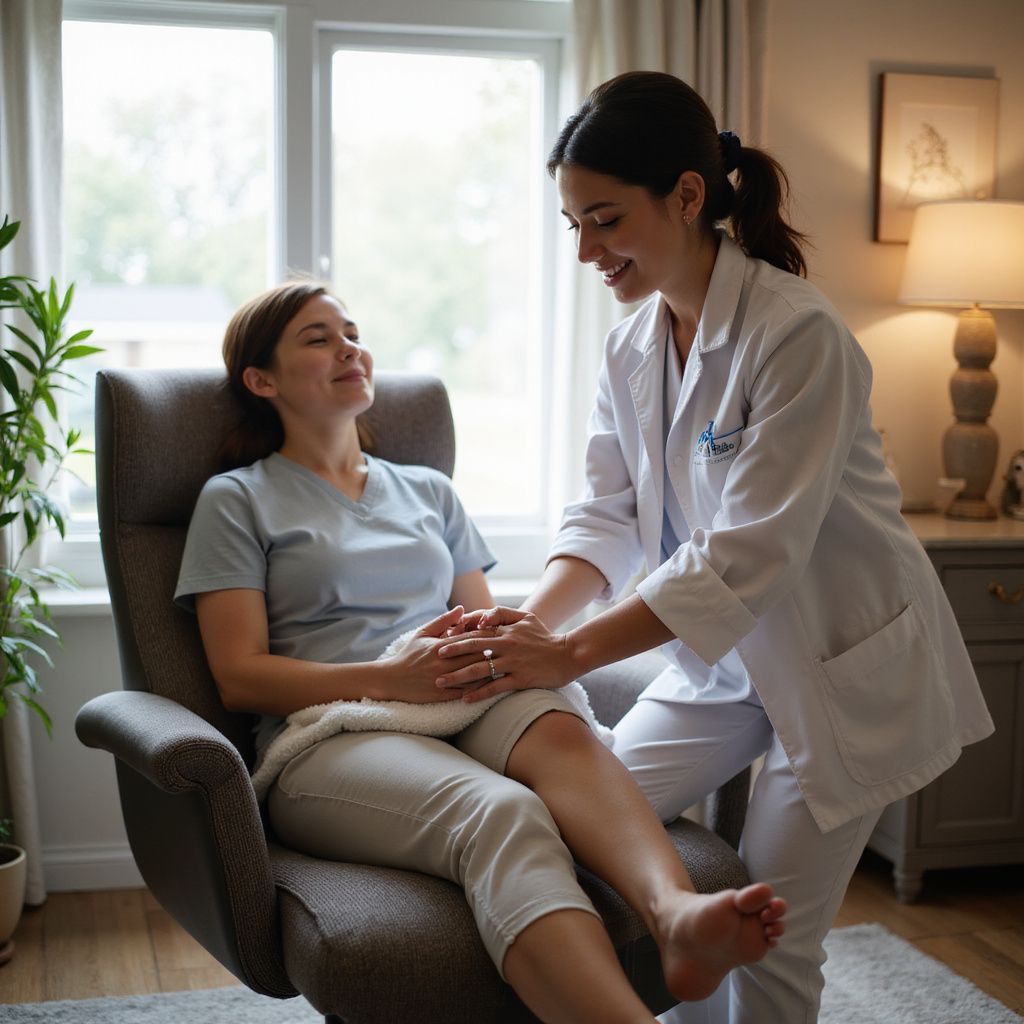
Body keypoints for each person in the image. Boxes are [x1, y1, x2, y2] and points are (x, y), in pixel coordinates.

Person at [433, 71, 995, 1023]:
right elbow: (605, 516)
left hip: (839, 668)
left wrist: (568, 653)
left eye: (604, 220)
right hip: (724, 664)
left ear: (687, 196)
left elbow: (746, 553)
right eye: (574, 225)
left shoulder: (798, 334)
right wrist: (523, 630)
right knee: (582, 820)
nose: (585, 251)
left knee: (770, 944)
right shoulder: (629, 348)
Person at [173, 280, 786, 1024]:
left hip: (455, 698)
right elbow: (239, 678)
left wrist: (509, 656)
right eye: (318, 337)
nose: (349, 348)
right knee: (501, 810)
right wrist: (389, 680)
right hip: (331, 733)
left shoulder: (429, 491)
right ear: (261, 380)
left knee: (555, 722)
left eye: (353, 331)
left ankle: (675, 915)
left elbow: (480, 621)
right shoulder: (236, 499)